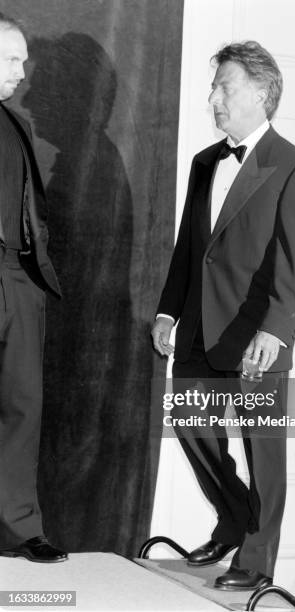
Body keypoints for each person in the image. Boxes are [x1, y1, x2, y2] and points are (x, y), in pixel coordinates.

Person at [151, 41, 295, 590]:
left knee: (261, 453)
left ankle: (256, 559)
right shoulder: (206, 162)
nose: (213, 97)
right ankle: (234, 519)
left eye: (225, 86)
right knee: (194, 428)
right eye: (213, 86)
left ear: (262, 93)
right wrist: (167, 312)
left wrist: (276, 328)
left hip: (257, 336)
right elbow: (188, 247)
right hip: (199, 327)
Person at [0, 13, 67, 563]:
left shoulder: (14, 124)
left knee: (23, 405)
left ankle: (18, 529)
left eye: (22, 59)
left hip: (18, 281)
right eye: (12, 58)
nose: (22, 73)